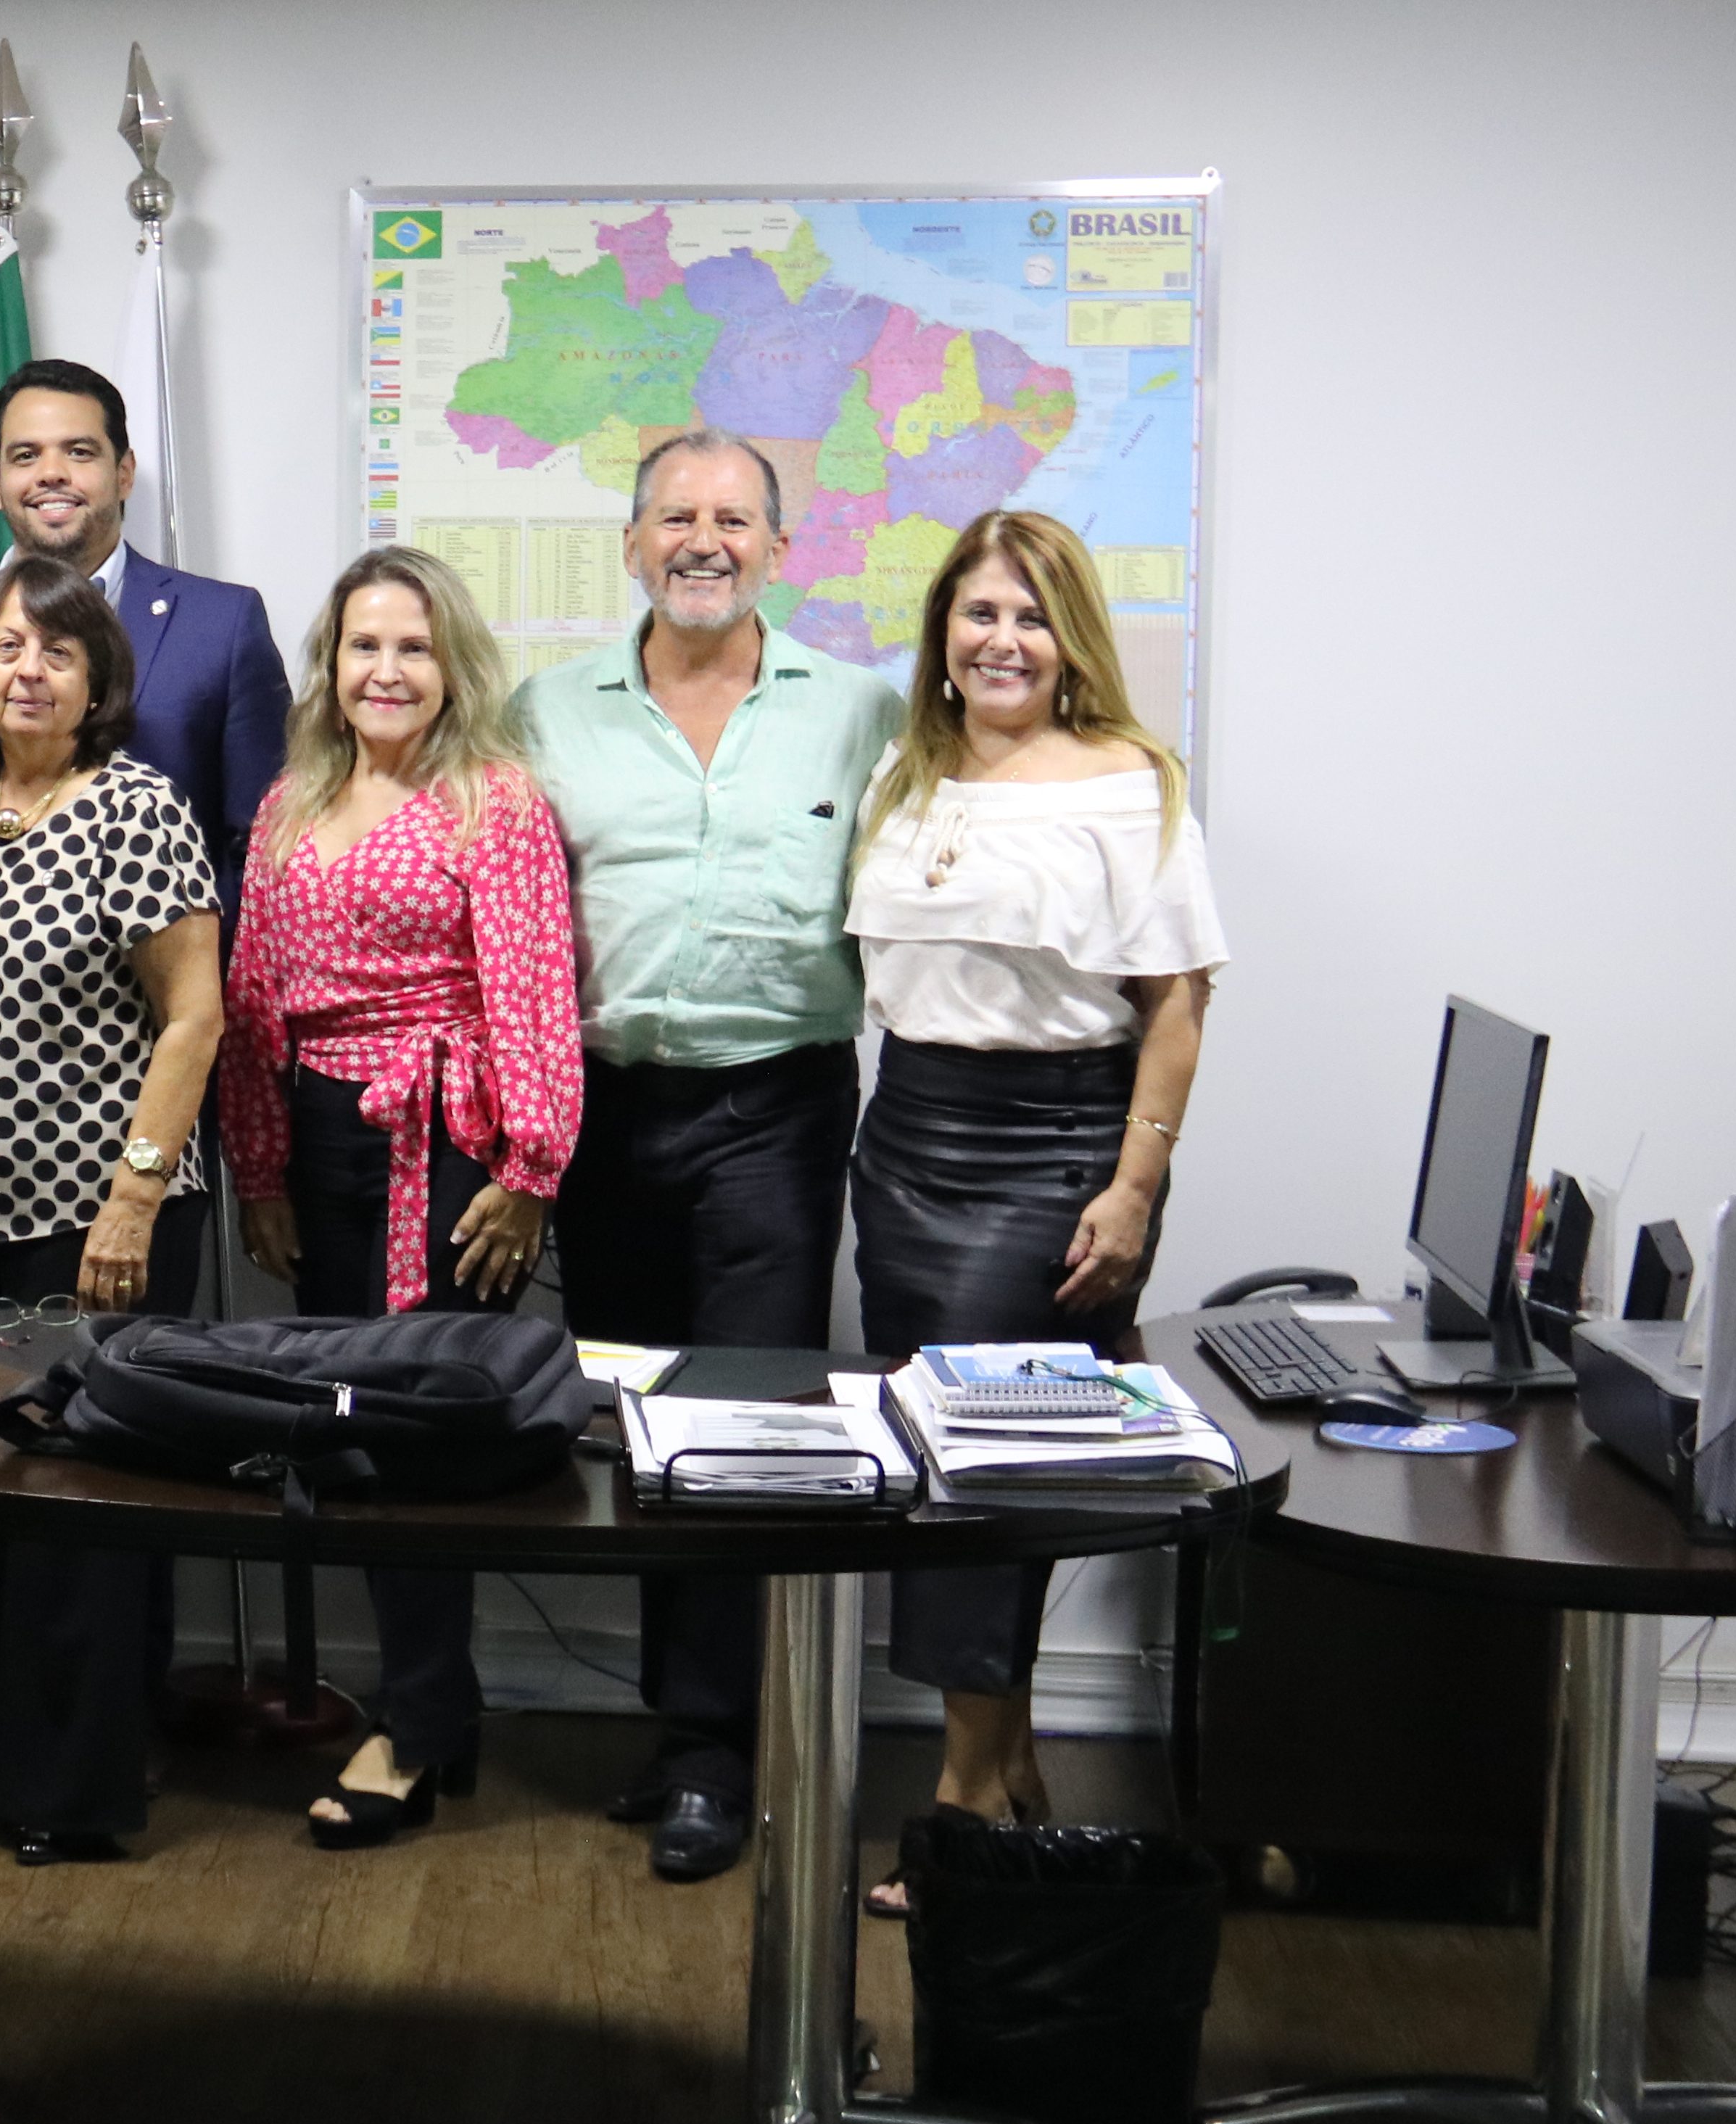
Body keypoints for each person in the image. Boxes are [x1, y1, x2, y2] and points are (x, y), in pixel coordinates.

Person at [514, 426, 905, 1885]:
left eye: (734, 520)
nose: (703, 541)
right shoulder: (548, 711)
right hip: (606, 1113)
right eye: (675, 517)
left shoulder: (858, 710)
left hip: (776, 1108)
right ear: (632, 544)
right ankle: (681, 1720)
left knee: (744, 1429)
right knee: (633, 1422)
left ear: (778, 550)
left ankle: (712, 1754)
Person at [843, 509, 1223, 1916]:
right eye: (980, 612)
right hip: (907, 1142)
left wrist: (1134, 1188)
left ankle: (959, 1811)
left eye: (1030, 616)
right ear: (943, 630)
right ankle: (1008, 1774)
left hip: (1056, 1149)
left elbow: (1176, 1004)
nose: (1002, 640)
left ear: (1071, 641)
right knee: (935, 1463)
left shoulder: (1131, 784)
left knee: (988, 1471)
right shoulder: (903, 774)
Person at [0, 556, 225, 1867]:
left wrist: (133, 1196)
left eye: (58, 653)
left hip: (85, 1223)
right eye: (8, 647)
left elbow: (194, 1017)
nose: (28, 671)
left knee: (72, 1512)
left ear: (97, 681)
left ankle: (68, 1793)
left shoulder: (137, 810)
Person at [218, 547, 581, 1851]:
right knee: (344, 1431)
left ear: (452, 666)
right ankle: (437, 1706)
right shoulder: (291, 805)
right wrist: (260, 1168)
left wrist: (531, 1175)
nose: (386, 670)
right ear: (330, 666)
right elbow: (252, 1001)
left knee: (417, 1433)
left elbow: (534, 989)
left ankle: (417, 1725)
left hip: (453, 1143)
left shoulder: (494, 802)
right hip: (322, 1139)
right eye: (363, 646)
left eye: (413, 648)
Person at [0, 358, 288, 916]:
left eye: (79, 452)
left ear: (124, 473)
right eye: (26, 456)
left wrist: (194, 959)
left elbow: (262, 846)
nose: (51, 473)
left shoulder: (223, 624)